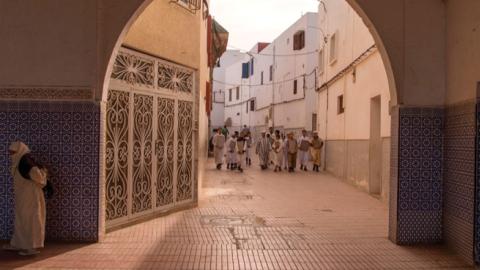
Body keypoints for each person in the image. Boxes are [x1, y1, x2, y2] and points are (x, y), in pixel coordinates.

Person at [3, 142, 47, 256]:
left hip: (31, 196)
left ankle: (30, 247)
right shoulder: (19, 162)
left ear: (19, 151)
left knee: (30, 220)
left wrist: (43, 177)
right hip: (23, 196)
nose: (11, 154)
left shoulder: (26, 162)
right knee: (21, 220)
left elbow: (39, 177)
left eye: (13, 152)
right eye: (10, 152)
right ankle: (18, 243)